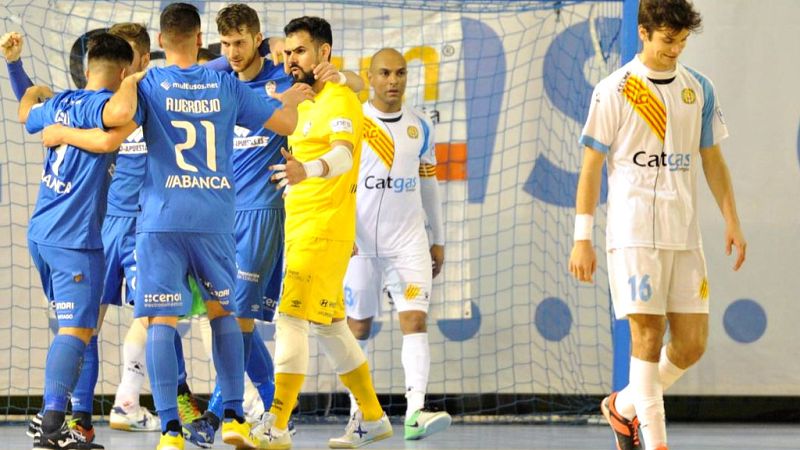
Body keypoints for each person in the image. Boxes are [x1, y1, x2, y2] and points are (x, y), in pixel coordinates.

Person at [60, 4, 311, 449]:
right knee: (225, 314)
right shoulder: (225, 84)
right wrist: (288, 99)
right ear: (201, 41)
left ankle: (171, 430)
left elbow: (112, 123)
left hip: (161, 220)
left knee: (161, 319)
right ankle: (234, 416)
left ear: (159, 43)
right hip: (215, 219)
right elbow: (287, 122)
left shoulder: (149, 84)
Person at [183, 5, 365, 447]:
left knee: (240, 317)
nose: (232, 53)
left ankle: (221, 413)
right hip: (219, 215)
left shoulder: (288, 77)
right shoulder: (219, 75)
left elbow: (356, 87)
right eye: (225, 45)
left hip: (265, 214)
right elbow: (184, 70)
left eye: (241, 43)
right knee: (226, 319)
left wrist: (341, 76)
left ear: (258, 38)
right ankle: (273, 408)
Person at [568, 1, 746, 449]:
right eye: (668, 40)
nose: (676, 50)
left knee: (691, 345)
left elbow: (712, 158)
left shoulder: (698, 88)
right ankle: (656, 442)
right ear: (644, 33)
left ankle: (622, 407)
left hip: (683, 234)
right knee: (647, 336)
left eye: (683, 41)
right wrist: (582, 238)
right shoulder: (614, 90)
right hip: (633, 233)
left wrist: (732, 220)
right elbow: (591, 167)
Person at [251, 16, 391, 450]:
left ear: (324, 53)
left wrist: (304, 170)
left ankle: (276, 423)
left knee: (291, 318)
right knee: (331, 326)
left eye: (301, 52)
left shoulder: (341, 99)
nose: (291, 60)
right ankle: (372, 416)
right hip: (300, 226)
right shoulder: (300, 101)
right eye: (287, 52)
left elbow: (345, 158)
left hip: (322, 229)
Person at [13, 32, 136, 450]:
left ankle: (56, 420)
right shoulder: (105, 108)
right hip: (74, 238)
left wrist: (23, 78)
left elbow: (26, 111)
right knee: (76, 329)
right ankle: (50, 426)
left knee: (75, 329)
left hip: (42, 232)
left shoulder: (60, 105)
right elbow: (108, 134)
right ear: (122, 73)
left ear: (86, 68)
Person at [343, 48, 450, 441]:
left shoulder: (420, 126)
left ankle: (416, 411)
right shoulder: (354, 122)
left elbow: (428, 183)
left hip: (408, 244)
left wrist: (438, 239)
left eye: (401, 73)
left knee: (415, 319)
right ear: (369, 78)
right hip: (360, 246)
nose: (393, 81)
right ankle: (361, 415)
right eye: (385, 73)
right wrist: (343, 234)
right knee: (358, 326)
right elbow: (338, 182)